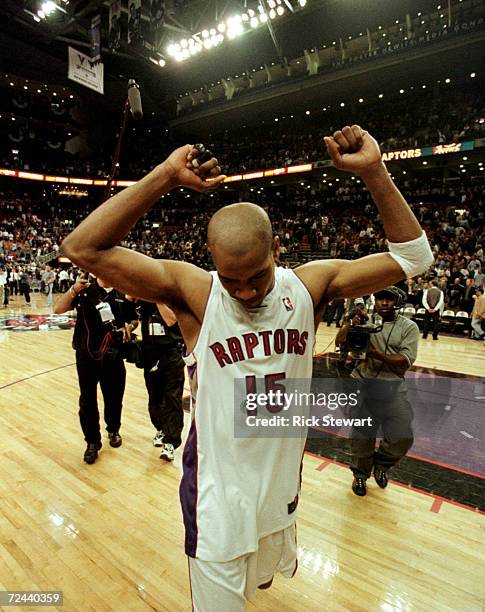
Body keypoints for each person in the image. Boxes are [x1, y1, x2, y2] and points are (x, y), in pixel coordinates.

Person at [61, 126, 433, 610]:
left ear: (277, 249)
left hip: (278, 492)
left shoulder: (310, 286)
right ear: (212, 261)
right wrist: (165, 177)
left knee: (260, 587)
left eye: (256, 276)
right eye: (231, 279)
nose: (244, 292)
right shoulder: (196, 292)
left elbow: (414, 257)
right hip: (216, 499)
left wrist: (373, 171)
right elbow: (82, 248)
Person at [336, 286, 419, 496]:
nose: (384, 303)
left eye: (389, 299)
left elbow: (403, 364)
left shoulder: (409, 327)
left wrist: (374, 354)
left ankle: (381, 465)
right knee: (362, 435)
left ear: (397, 302)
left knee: (402, 435)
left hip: (392, 386)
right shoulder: (365, 322)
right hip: (362, 384)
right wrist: (349, 323)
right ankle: (360, 476)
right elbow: (339, 343)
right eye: (380, 298)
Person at [54, 274, 138, 464]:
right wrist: (73, 289)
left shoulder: (123, 292)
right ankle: (92, 442)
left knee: (115, 397)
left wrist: (129, 328)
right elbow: (58, 309)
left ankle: (113, 428)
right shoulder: (84, 290)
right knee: (87, 400)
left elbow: (134, 320)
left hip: (113, 355)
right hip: (86, 355)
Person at [134, 299, 185, 461]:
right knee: (154, 396)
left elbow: (171, 321)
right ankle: (161, 428)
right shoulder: (143, 299)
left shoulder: (170, 297)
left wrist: (158, 299)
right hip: (150, 353)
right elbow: (128, 299)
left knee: (172, 397)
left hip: (171, 352)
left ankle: (171, 441)